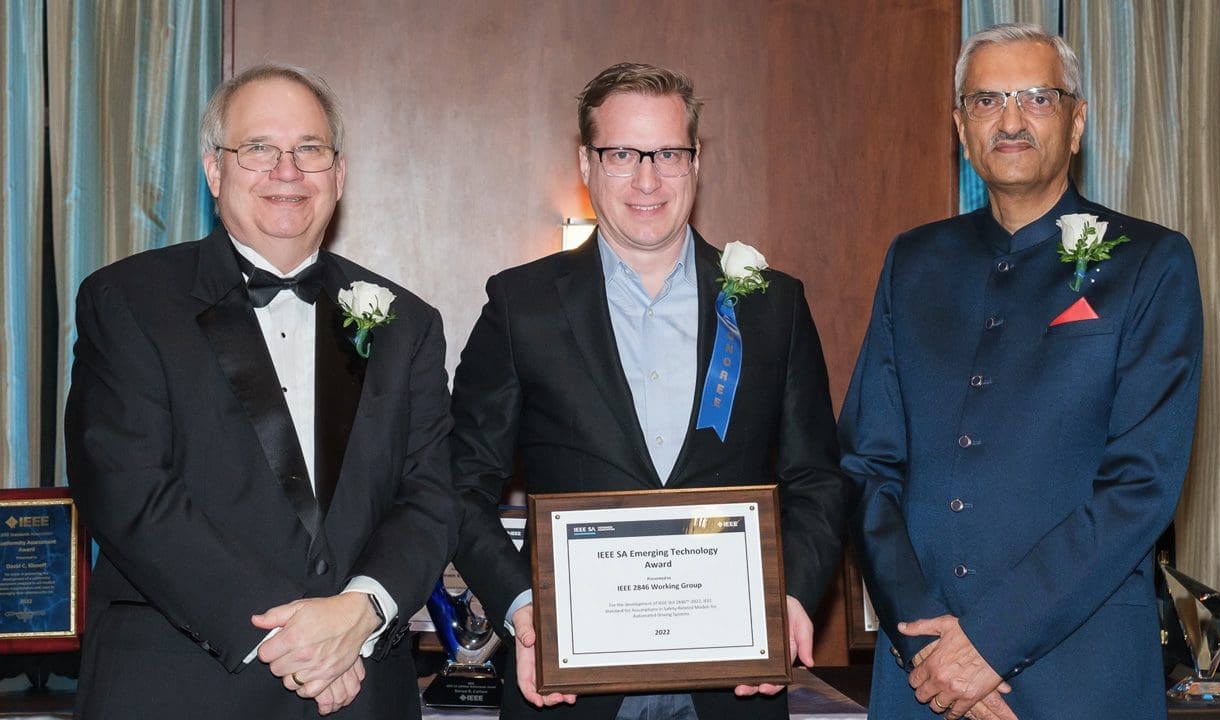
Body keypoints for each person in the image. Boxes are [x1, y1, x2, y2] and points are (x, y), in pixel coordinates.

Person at [448, 62, 846, 720]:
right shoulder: (521, 306)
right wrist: (524, 609)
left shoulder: (774, 305)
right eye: (622, 154)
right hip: (567, 684)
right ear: (585, 161)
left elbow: (817, 478)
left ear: (696, 161)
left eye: (668, 153)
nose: (648, 179)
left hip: (732, 683)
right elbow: (460, 483)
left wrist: (794, 595)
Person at [64, 64, 457, 719]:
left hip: (362, 692)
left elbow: (432, 494)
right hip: (179, 691)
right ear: (215, 171)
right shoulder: (127, 300)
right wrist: (296, 642)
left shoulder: (402, 320)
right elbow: (125, 487)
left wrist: (360, 613)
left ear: (338, 173)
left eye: (310, 149)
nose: (287, 170)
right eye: (258, 149)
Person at [839, 23, 1203, 720]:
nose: (1009, 121)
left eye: (1037, 97)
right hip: (922, 682)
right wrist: (926, 641)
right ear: (960, 126)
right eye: (986, 102)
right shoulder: (913, 262)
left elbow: (1140, 485)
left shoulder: (1150, 263)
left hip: (1081, 678)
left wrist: (987, 643)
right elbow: (866, 465)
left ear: (1077, 121)